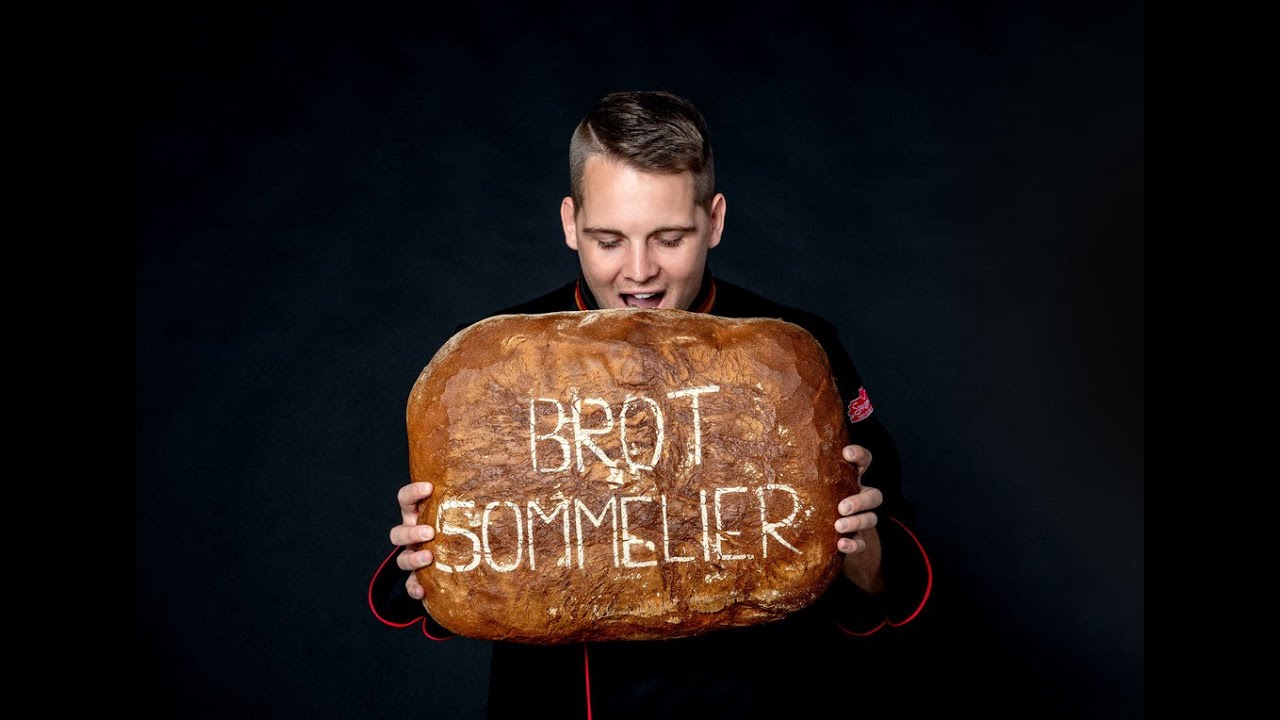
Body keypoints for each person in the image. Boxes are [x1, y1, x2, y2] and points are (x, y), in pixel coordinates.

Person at [369, 90, 932, 718]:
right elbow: (469, 573)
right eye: (609, 240)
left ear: (714, 221)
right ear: (568, 223)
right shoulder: (498, 361)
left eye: (669, 238)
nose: (639, 272)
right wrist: (427, 558)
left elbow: (888, 577)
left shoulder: (793, 352)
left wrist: (861, 544)